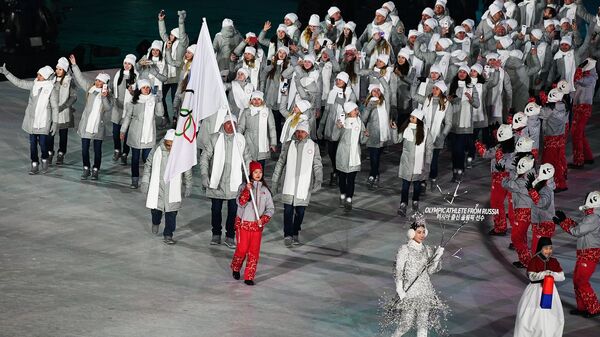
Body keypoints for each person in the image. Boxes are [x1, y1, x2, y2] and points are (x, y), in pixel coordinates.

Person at [381, 213, 447, 337]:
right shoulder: (404, 249)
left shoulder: (427, 249)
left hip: (425, 291)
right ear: (412, 233)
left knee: (423, 326)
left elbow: (431, 270)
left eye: (423, 232)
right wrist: (399, 289)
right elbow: (398, 270)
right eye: (419, 232)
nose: (422, 235)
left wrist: (437, 256)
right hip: (410, 292)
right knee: (406, 324)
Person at [200, 115, 251, 248]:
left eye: (233, 123)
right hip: (217, 182)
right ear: (223, 124)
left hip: (234, 184)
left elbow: (247, 159)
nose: (230, 126)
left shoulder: (240, 139)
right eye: (228, 123)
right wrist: (205, 174)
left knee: (233, 211)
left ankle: (230, 236)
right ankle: (216, 234)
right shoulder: (215, 138)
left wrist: (249, 177)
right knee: (216, 210)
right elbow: (205, 157)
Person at [272, 121, 323, 247]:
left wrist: (318, 179)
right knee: (288, 211)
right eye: (298, 131)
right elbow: (280, 163)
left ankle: (295, 231)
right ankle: (288, 235)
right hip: (289, 183)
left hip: (303, 185)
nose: (300, 134)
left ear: (307, 133)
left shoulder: (313, 146)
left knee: (300, 211)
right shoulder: (289, 145)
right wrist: (275, 181)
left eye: (303, 132)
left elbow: (317, 164)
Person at [0, 63, 58, 174]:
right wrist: (7, 73)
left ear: (46, 76)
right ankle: (34, 163)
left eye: (40, 75)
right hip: (32, 121)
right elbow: (20, 83)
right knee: (32, 144)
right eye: (38, 74)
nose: (37, 77)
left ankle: (45, 158)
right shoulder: (34, 85)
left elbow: (55, 107)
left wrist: (55, 122)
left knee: (43, 144)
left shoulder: (52, 89)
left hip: (44, 121)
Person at [141, 129, 192, 244]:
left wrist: (188, 185)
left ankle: (168, 234)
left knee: (171, 213)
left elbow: (187, 169)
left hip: (173, 188)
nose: (169, 147)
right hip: (157, 186)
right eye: (167, 144)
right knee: (156, 211)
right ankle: (156, 222)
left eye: (172, 145)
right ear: (164, 142)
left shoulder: (180, 153)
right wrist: (145, 181)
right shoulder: (157, 150)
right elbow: (148, 164)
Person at [554, 191, 600, 318]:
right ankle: (582, 307)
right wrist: (566, 220)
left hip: (589, 254)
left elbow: (578, 231)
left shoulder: (593, 218)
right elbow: (580, 227)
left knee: (582, 281)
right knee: (577, 280)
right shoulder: (591, 216)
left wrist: (562, 223)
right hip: (585, 253)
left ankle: (594, 308)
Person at [69, 54, 113, 181]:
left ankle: (95, 169)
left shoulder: (109, 95)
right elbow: (80, 78)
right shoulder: (90, 87)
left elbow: (108, 108)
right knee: (84, 149)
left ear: (105, 84)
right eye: (97, 80)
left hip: (98, 126)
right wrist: (74, 65)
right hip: (86, 124)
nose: (98, 82)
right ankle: (86, 168)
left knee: (97, 150)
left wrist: (104, 96)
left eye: (101, 81)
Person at [230, 161, 274, 286]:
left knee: (254, 252)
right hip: (243, 225)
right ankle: (236, 267)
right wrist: (246, 191)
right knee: (242, 249)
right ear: (250, 173)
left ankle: (249, 276)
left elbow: (271, 209)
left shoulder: (265, 190)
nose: (258, 174)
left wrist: (264, 219)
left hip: (256, 227)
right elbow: (240, 203)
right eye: (255, 172)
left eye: (260, 172)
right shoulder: (244, 186)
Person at [513, 237, 565, 337]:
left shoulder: (554, 261)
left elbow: (561, 276)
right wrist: (543, 274)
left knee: (550, 316)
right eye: (546, 248)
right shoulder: (534, 260)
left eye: (550, 248)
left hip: (550, 291)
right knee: (529, 316)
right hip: (535, 291)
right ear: (541, 248)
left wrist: (551, 274)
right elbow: (532, 276)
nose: (548, 251)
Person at [120, 79, 164, 189]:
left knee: (147, 159)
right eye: (144, 87)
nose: (146, 89)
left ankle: (147, 179)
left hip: (149, 135)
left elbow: (160, 113)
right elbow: (128, 117)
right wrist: (123, 130)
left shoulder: (153, 100)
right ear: (139, 89)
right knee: (135, 159)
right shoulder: (134, 102)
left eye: (148, 87)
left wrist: (159, 101)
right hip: (136, 134)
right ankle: (134, 180)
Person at [475, 124, 516, 236]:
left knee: (497, 203)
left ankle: (500, 227)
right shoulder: (517, 147)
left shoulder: (498, 149)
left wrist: (477, 144)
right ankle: (517, 232)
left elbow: (485, 154)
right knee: (514, 206)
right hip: (513, 178)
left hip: (499, 179)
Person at [391, 109, 433, 217]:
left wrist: (428, 162)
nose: (410, 119)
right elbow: (396, 140)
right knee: (405, 186)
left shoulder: (425, 131)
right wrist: (394, 130)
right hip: (407, 163)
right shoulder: (406, 129)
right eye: (410, 117)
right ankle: (403, 205)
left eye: (413, 118)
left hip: (419, 164)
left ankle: (415, 202)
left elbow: (429, 148)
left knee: (417, 185)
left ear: (418, 120)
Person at [331, 102, 368, 211]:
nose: (357, 111)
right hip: (343, 155)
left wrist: (366, 136)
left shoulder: (360, 122)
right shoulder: (342, 122)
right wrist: (338, 128)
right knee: (342, 178)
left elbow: (362, 140)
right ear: (348, 112)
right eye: (355, 110)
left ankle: (349, 200)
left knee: (351, 180)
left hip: (354, 155)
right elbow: (334, 137)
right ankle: (342, 195)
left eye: (357, 109)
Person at [503, 156, 536, 268]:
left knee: (516, 237)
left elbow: (508, 185)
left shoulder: (522, 181)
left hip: (523, 211)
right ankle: (524, 260)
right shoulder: (531, 175)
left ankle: (527, 261)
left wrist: (506, 175)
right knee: (521, 236)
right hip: (527, 210)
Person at [237, 91, 277, 169]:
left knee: (260, 165)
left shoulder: (267, 111)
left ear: (262, 100)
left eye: (259, 99)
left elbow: (272, 128)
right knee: (249, 162)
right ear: (251, 100)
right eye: (254, 99)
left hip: (262, 141)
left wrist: (273, 143)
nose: (256, 101)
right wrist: (238, 138)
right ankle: (249, 180)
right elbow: (241, 126)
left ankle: (259, 180)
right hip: (249, 139)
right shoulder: (246, 111)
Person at [569, 58, 597, 169]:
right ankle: (588, 157)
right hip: (578, 107)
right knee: (580, 134)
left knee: (576, 134)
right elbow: (576, 89)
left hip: (583, 108)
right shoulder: (586, 77)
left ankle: (578, 161)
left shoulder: (590, 78)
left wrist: (579, 69)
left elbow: (579, 80)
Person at [111, 54, 138, 166]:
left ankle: (125, 153)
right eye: (125, 63)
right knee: (116, 131)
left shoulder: (136, 76)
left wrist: (132, 92)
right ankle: (117, 150)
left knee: (126, 132)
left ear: (132, 65)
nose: (127, 66)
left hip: (128, 108)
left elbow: (137, 94)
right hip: (117, 107)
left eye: (129, 64)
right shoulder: (118, 74)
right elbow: (114, 89)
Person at [50, 57, 77, 166]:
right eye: (57, 69)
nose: (57, 71)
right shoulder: (51, 79)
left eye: (60, 69)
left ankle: (61, 153)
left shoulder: (70, 80)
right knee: (50, 133)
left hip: (64, 112)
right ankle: (49, 152)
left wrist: (64, 106)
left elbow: (73, 97)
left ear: (65, 70)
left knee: (63, 134)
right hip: (51, 112)